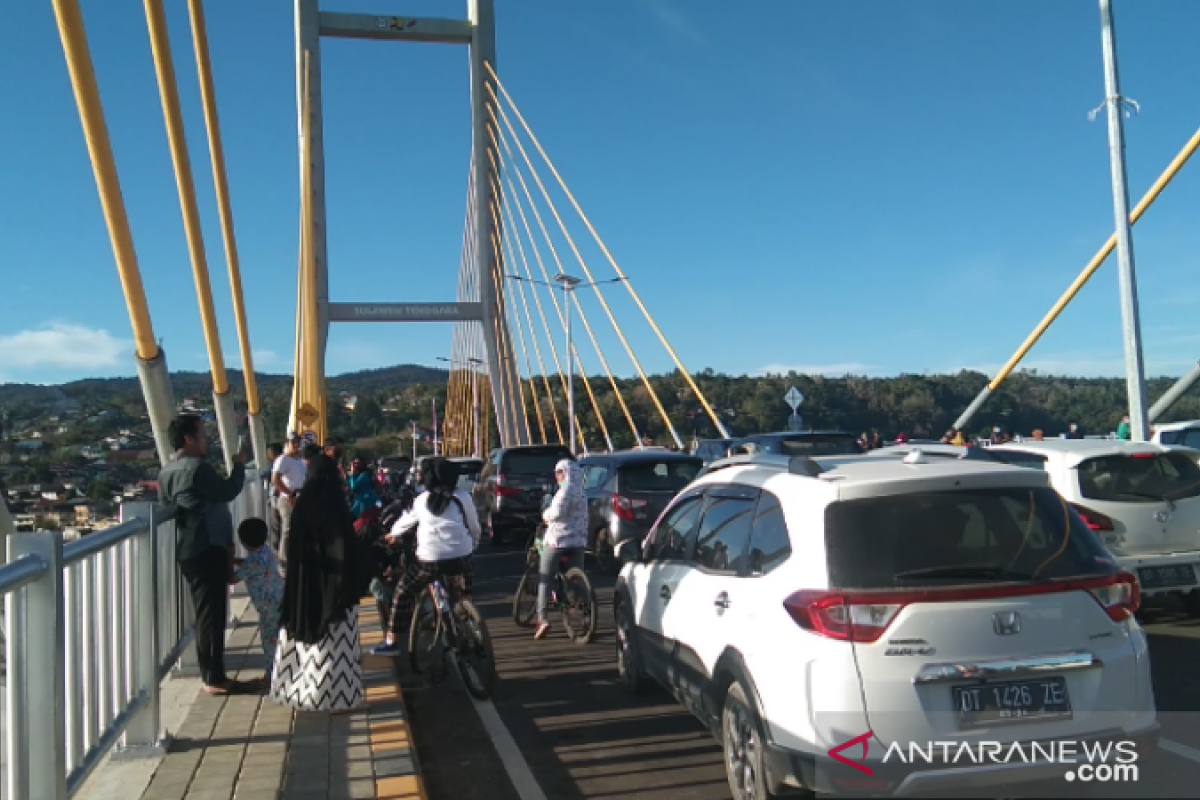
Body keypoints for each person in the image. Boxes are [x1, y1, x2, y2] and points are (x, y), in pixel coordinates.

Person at [158, 414, 253, 696]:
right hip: (207, 546)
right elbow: (228, 491)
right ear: (188, 438)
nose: (205, 439)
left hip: (188, 547)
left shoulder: (166, 472)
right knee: (211, 615)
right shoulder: (198, 469)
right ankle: (214, 677)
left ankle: (213, 673)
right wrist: (238, 466)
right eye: (201, 435)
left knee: (205, 613)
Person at [272, 454, 369, 711]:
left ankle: (297, 692)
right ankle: (338, 698)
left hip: (304, 587)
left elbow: (293, 549)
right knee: (336, 644)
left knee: (303, 643)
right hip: (335, 591)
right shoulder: (336, 507)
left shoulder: (302, 507)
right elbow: (348, 549)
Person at [371, 458, 480, 657]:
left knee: (403, 591)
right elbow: (474, 526)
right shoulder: (463, 496)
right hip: (462, 556)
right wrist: (473, 544)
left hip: (430, 560)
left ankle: (392, 641)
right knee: (463, 587)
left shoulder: (421, 500)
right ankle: (471, 622)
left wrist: (391, 536)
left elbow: (404, 523)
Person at [535, 459, 588, 640]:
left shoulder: (564, 492)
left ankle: (542, 619)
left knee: (544, 578)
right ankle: (585, 612)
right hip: (578, 542)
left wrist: (545, 515)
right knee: (578, 581)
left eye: (559, 472)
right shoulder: (581, 492)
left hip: (558, 541)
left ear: (565, 473)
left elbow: (556, 513)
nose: (556, 476)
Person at [232, 517, 284, 689]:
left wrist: (226, 559)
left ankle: (271, 676)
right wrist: (237, 561)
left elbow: (232, 579)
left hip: (268, 608)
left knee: (269, 642)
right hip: (279, 601)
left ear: (243, 541)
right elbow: (250, 565)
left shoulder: (252, 562)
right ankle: (277, 672)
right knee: (278, 639)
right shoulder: (266, 552)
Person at [271, 434, 307, 573]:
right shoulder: (283, 459)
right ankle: (283, 566)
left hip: (299, 498)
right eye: (294, 442)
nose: (296, 444)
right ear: (288, 443)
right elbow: (275, 479)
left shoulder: (299, 461)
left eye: (298, 441)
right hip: (287, 499)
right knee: (288, 530)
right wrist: (289, 493)